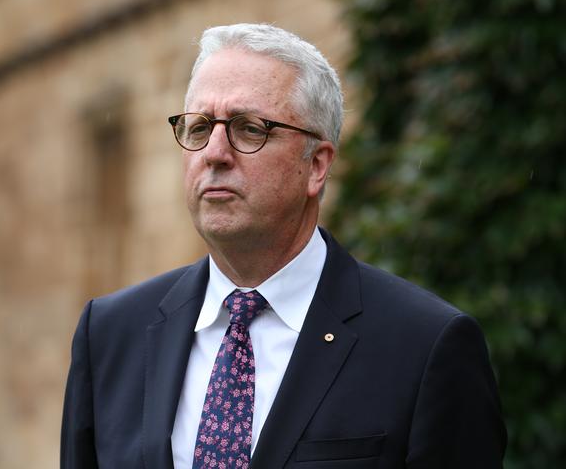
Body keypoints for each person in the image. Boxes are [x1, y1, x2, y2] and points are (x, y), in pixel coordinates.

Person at [61, 23, 506, 469]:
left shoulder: (425, 347)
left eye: (249, 129)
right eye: (199, 128)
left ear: (316, 165)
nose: (214, 152)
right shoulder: (110, 334)